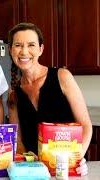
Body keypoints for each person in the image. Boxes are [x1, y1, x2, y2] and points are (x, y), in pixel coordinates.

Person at [7, 22, 92, 175]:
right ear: (10, 50)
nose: (24, 51)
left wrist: (77, 159)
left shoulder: (62, 77)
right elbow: (18, 140)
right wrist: (27, 160)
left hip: (66, 170)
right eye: (18, 45)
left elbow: (85, 125)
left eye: (31, 45)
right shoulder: (13, 93)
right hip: (35, 173)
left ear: (41, 49)